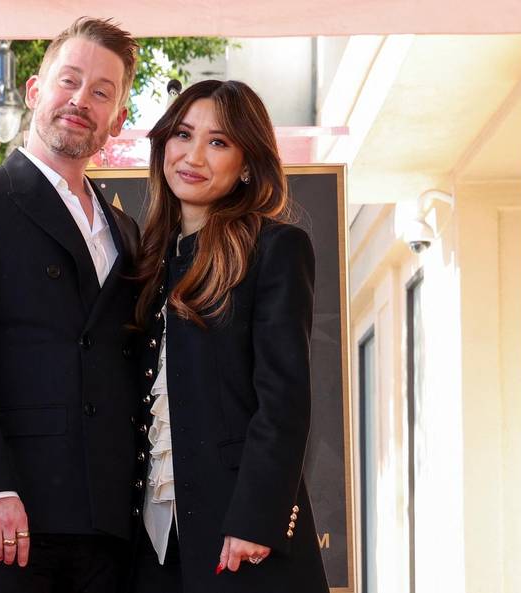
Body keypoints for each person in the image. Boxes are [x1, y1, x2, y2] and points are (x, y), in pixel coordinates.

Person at [0, 17, 142, 593]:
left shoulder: (126, 230)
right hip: (6, 521)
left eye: (101, 92)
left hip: (108, 527)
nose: (81, 100)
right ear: (35, 90)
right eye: (69, 80)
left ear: (118, 118)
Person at [130, 79, 330, 592]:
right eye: (183, 134)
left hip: (238, 536)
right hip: (151, 545)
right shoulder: (146, 260)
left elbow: (284, 401)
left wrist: (256, 519)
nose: (193, 155)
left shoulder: (276, 249)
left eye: (218, 142)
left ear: (246, 163)